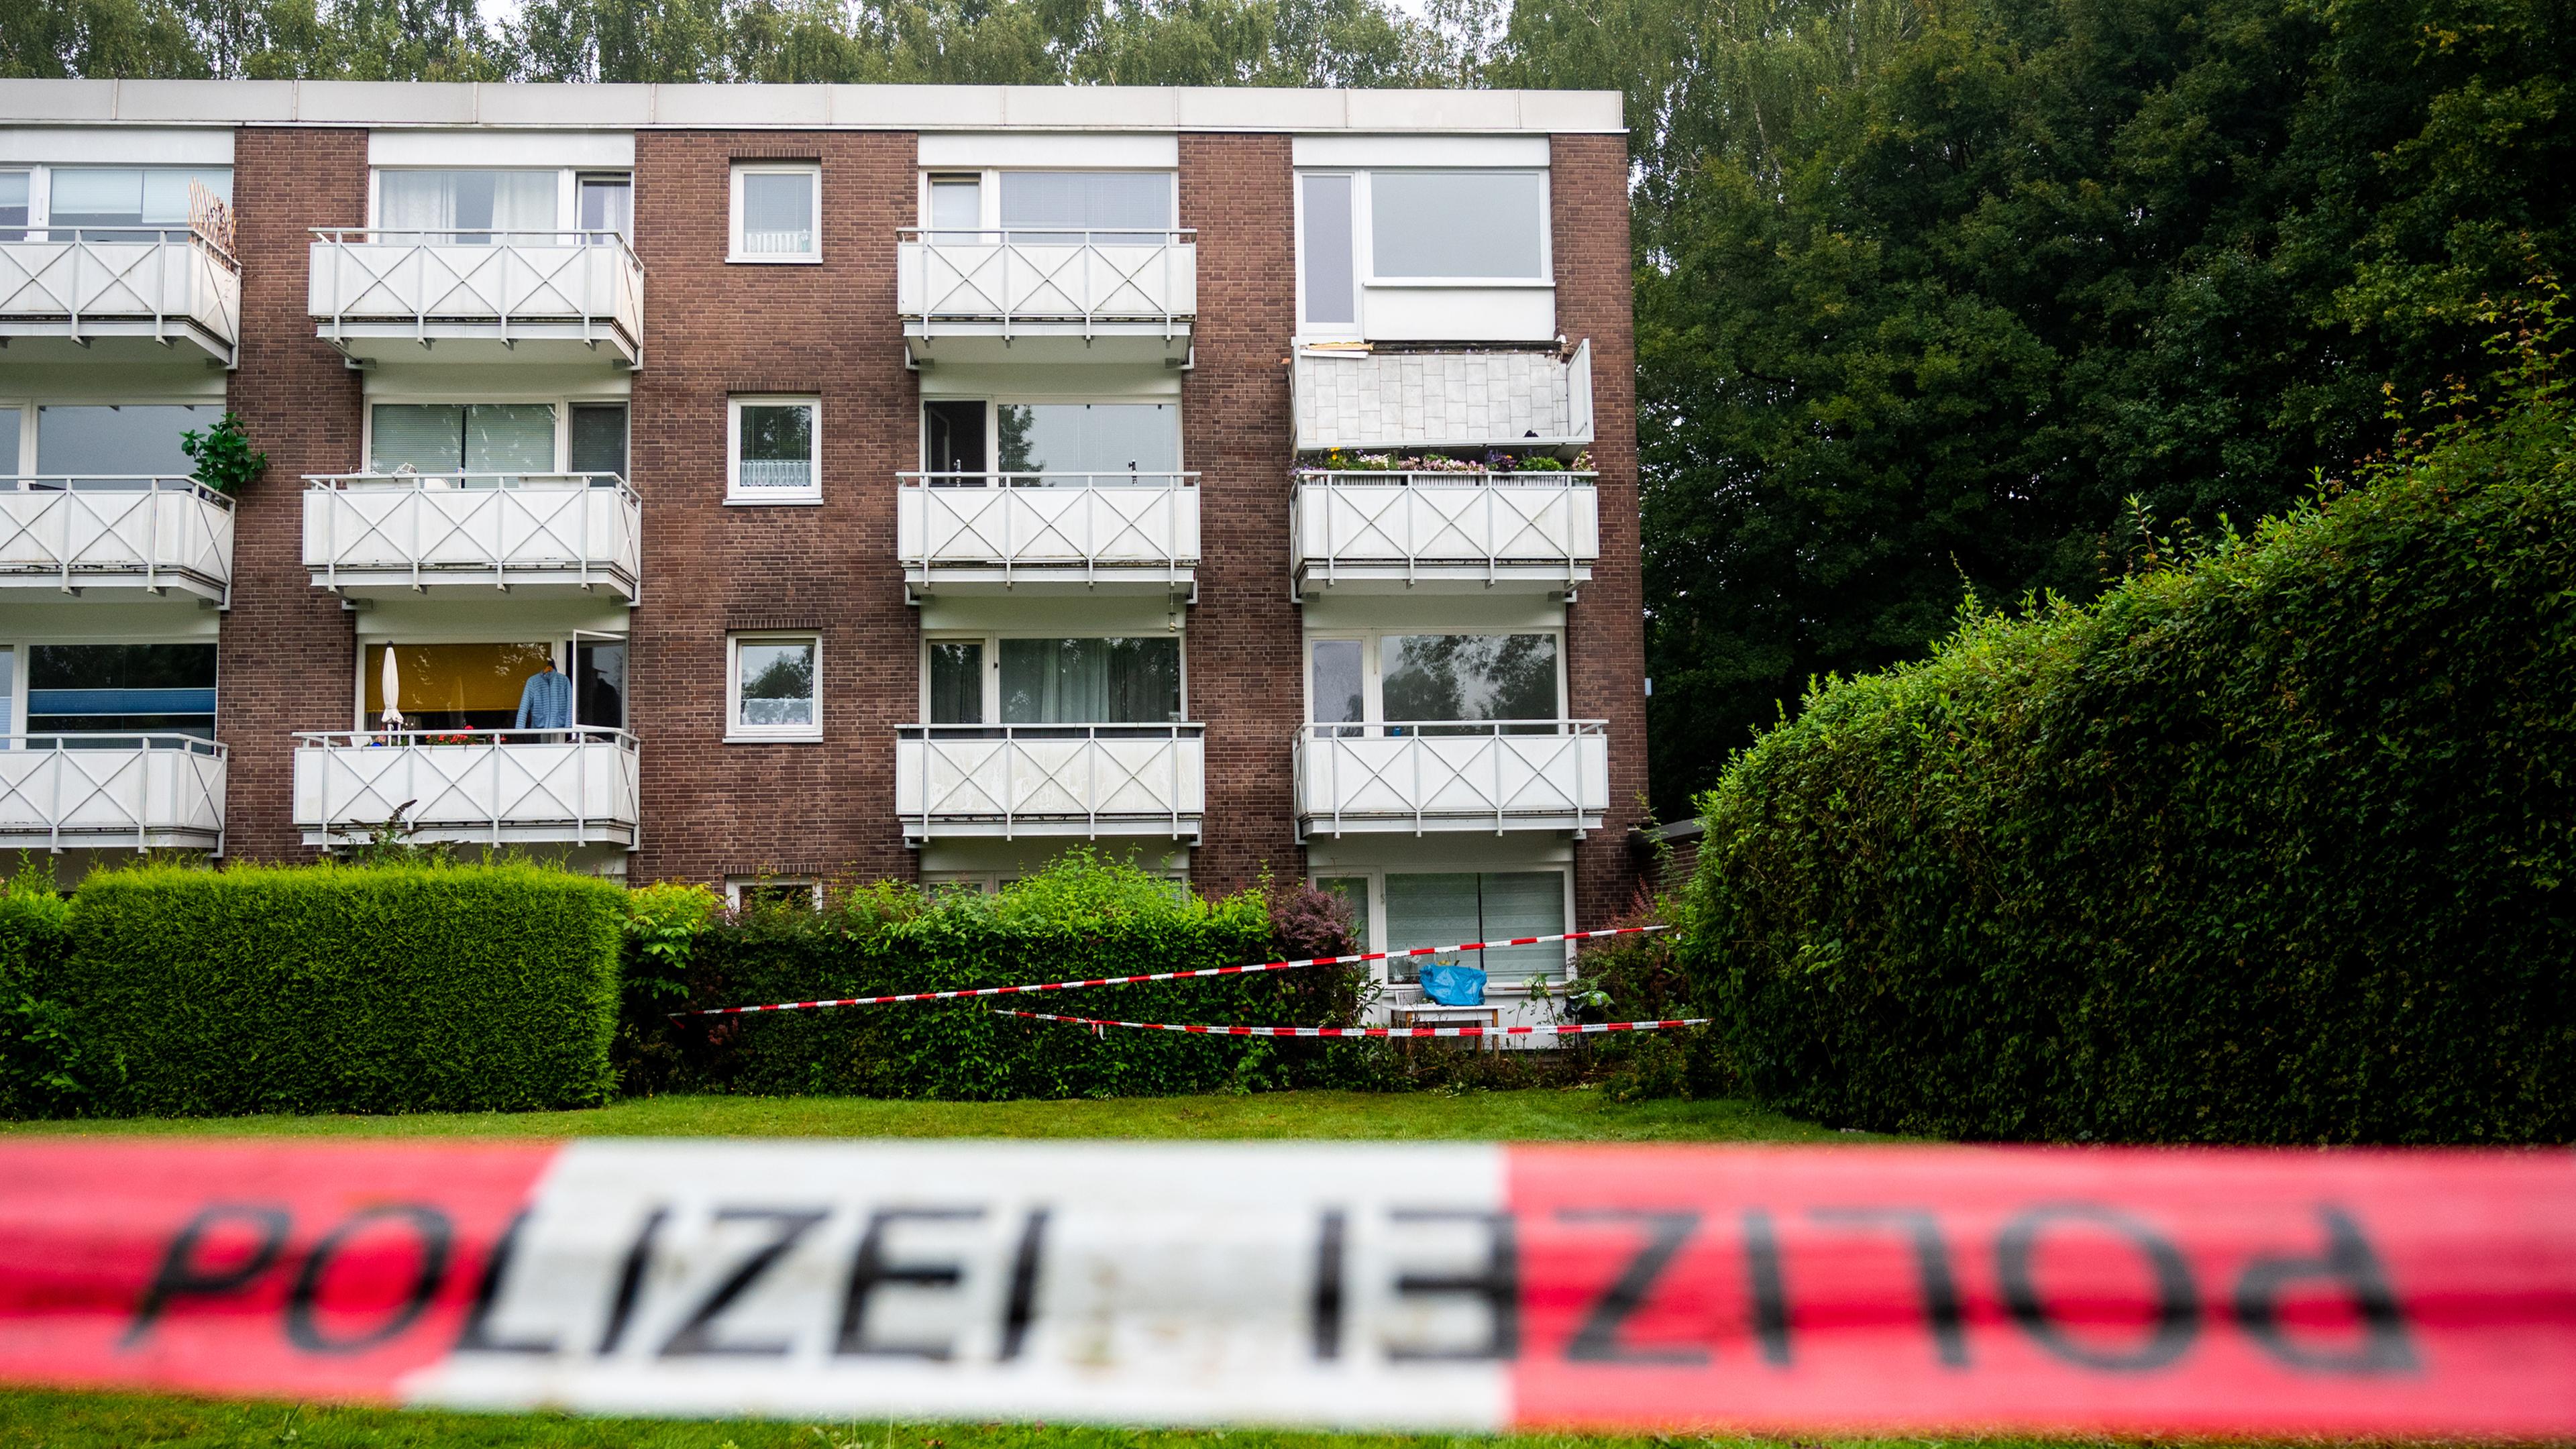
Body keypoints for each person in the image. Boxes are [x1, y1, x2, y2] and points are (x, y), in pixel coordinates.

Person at [515, 658, 572, 733]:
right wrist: (519, 730)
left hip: (559, 725)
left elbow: (570, 705)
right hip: (539, 726)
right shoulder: (533, 682)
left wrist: (568, 728)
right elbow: (524, 706)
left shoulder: (564, 680)